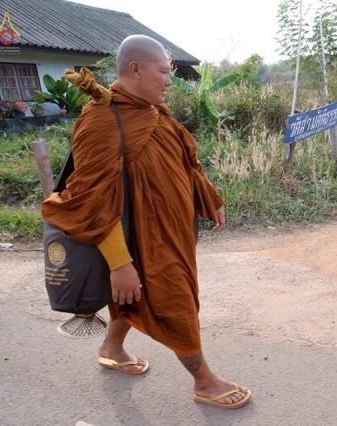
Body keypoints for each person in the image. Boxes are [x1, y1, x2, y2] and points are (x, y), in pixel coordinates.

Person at [41, 35, 251, 409]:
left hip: (169, 232)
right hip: (137, 239)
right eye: (164, 72)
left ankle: (112, 346)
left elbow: (186, 163)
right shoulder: (102, 119)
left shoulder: (154, 111)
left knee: (134, 298)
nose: (170, 80)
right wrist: (120, 264)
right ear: (135, 69)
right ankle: (204, 381)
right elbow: (91, 201)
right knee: (176, 304)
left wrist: (210, 198)